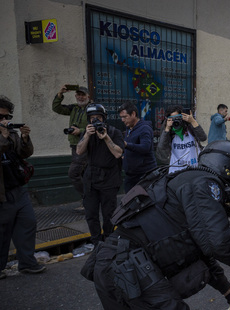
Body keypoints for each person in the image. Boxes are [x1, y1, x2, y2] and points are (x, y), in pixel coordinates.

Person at [30, 141, 230, 310]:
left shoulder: (182, 180)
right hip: (131, 267)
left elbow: (201, 249)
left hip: (113, 265)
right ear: (227, 169)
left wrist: (229, 292)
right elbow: (218, 244)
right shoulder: (202, 184)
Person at [0, 96, 46, 278]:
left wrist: (25, 138)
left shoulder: (11, 133)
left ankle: (27, 263)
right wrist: (3, 138)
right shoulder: (4, 135)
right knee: (2, 231)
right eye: (0, 117)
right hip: (2, 194)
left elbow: (24, 153)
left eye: (6, 116)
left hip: (18, 189)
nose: (4, 120)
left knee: (27, 224)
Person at [76, 104, 125, 245]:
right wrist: (86, 135)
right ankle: (96, 242)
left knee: (109, 214)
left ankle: (109, 240)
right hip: (91, 179)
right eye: (92, 118)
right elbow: (79, 151)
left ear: (104, 118)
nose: (95, 121)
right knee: (91, 214)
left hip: (109, 178)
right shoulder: (87, 133)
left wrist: (105, 137)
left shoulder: (114, 132)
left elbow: (118, 153)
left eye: (98, 118)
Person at [52, 85, 91, 199]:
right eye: (78, 95)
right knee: (84, 174)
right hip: (74, 145)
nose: (80, 97)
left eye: (83, 95)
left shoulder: (92, 109)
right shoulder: (74, 108)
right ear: (75, 96)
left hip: (86, 145)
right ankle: (88, 201)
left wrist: (80, 131)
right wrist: (60, 94)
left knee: (73, 173)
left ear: (88, 96)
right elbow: (57, 108)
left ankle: (87, 198)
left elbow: (97, 126)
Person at [118, 101, 157, 192]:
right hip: (131, 175)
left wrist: (127, 145)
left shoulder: (144, 128)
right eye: (121, 117)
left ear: (133, 114)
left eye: (125, 117)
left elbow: (145, 147)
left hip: (144, 176)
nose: (122, 120)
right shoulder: (129, 128)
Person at [156, 105, 206, 173]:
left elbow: (203, 138)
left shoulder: (189, 126)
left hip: (194, 168)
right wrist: (167, 129)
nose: (176, 121)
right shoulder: (169, 130)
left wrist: (193, 121)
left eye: (178, 117)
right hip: (176, 170)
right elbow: (161, 147)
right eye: (173, 118)